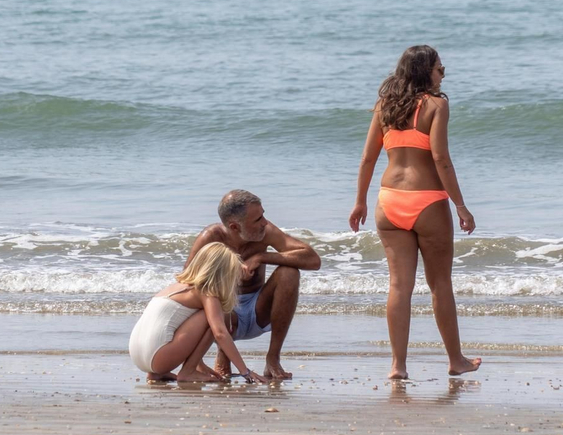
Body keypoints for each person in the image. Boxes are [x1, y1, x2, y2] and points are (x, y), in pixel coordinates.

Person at [349, 45, 482, 381]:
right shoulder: (437, 106)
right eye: (440, 69)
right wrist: (460, 205)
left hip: (389, 201)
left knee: (399, 286)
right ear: (426, 72)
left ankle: (398, 366)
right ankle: (456, 360)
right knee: (440, 284)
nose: (443, 74)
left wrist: (360, 201)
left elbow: (367, 158)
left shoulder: (385, 107)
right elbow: (440, 159)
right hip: (428, 202)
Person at [184, 190, 321, 381]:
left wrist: (262, 257)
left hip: (258, 310)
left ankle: (273, 358)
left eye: (263, 214)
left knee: (289, 273)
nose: (264, 222)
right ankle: (223, 356)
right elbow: (186, 284)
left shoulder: (266, 232)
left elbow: (313, 260)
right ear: (234, 226)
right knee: (209, 297)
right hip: (223, 313)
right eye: (257, 219)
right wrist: (229, 274)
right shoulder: (210, 238)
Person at [129, 242, 268, 384]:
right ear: (222, 275)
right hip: (158, 358)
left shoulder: (176, 287)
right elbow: (220, 334)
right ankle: (188, 371)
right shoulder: (207, 292)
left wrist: (201, 365)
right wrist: (246, 372)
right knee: (213, 319)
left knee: (189, 319)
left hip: (137, 356)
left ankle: (160, 373)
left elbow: (179, 331)